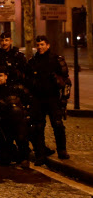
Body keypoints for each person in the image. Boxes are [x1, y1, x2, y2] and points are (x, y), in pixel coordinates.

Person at [26, 35, 71, 164]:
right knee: (38, 127)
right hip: (37, 98)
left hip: (53, 97)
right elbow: (27, 80)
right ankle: (40, 153)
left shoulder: (56, 60)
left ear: (48, 45)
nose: (40, 47)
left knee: (57, 124)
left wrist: (64, 99)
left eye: (42, 44)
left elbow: (66, 81)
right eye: (38, 45)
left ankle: (62, 150)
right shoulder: (33, 62)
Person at [0, 65, 32, 168]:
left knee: (21, 135)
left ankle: (24, 157)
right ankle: (14, 153)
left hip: (18, 123)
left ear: (6, 76)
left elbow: (29, 101)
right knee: (4, 160)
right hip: (3, 125)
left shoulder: (16, 89)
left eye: (0, 75)